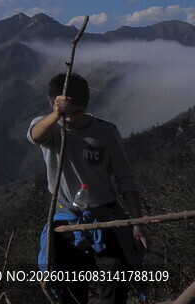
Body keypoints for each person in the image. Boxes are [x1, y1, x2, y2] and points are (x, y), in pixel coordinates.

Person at [28, 73, 150, 304]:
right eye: (67, 113)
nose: (72, 119)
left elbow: (126, 179)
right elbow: (35, 136)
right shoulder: (52, 129)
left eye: (78, 112)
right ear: (51, 103)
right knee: (70, 292)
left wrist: (137, 224)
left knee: (115, 288)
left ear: (87, 105)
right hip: (65, 221)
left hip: (106, 219)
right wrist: (56, 114)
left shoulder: (106, 132)